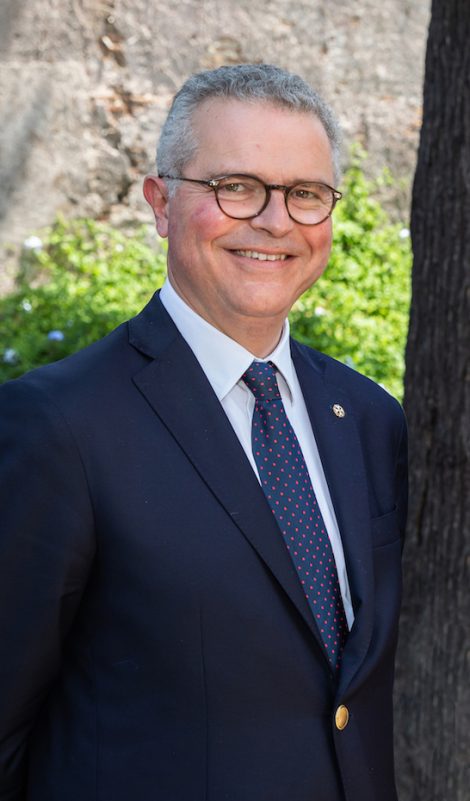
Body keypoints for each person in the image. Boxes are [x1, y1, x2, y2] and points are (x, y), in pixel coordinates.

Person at [0, 64, 408, 801]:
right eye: (236, 187)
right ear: (161, 203)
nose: (276, 220)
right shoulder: (58, 426)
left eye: (305, 194)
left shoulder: (371, 419)